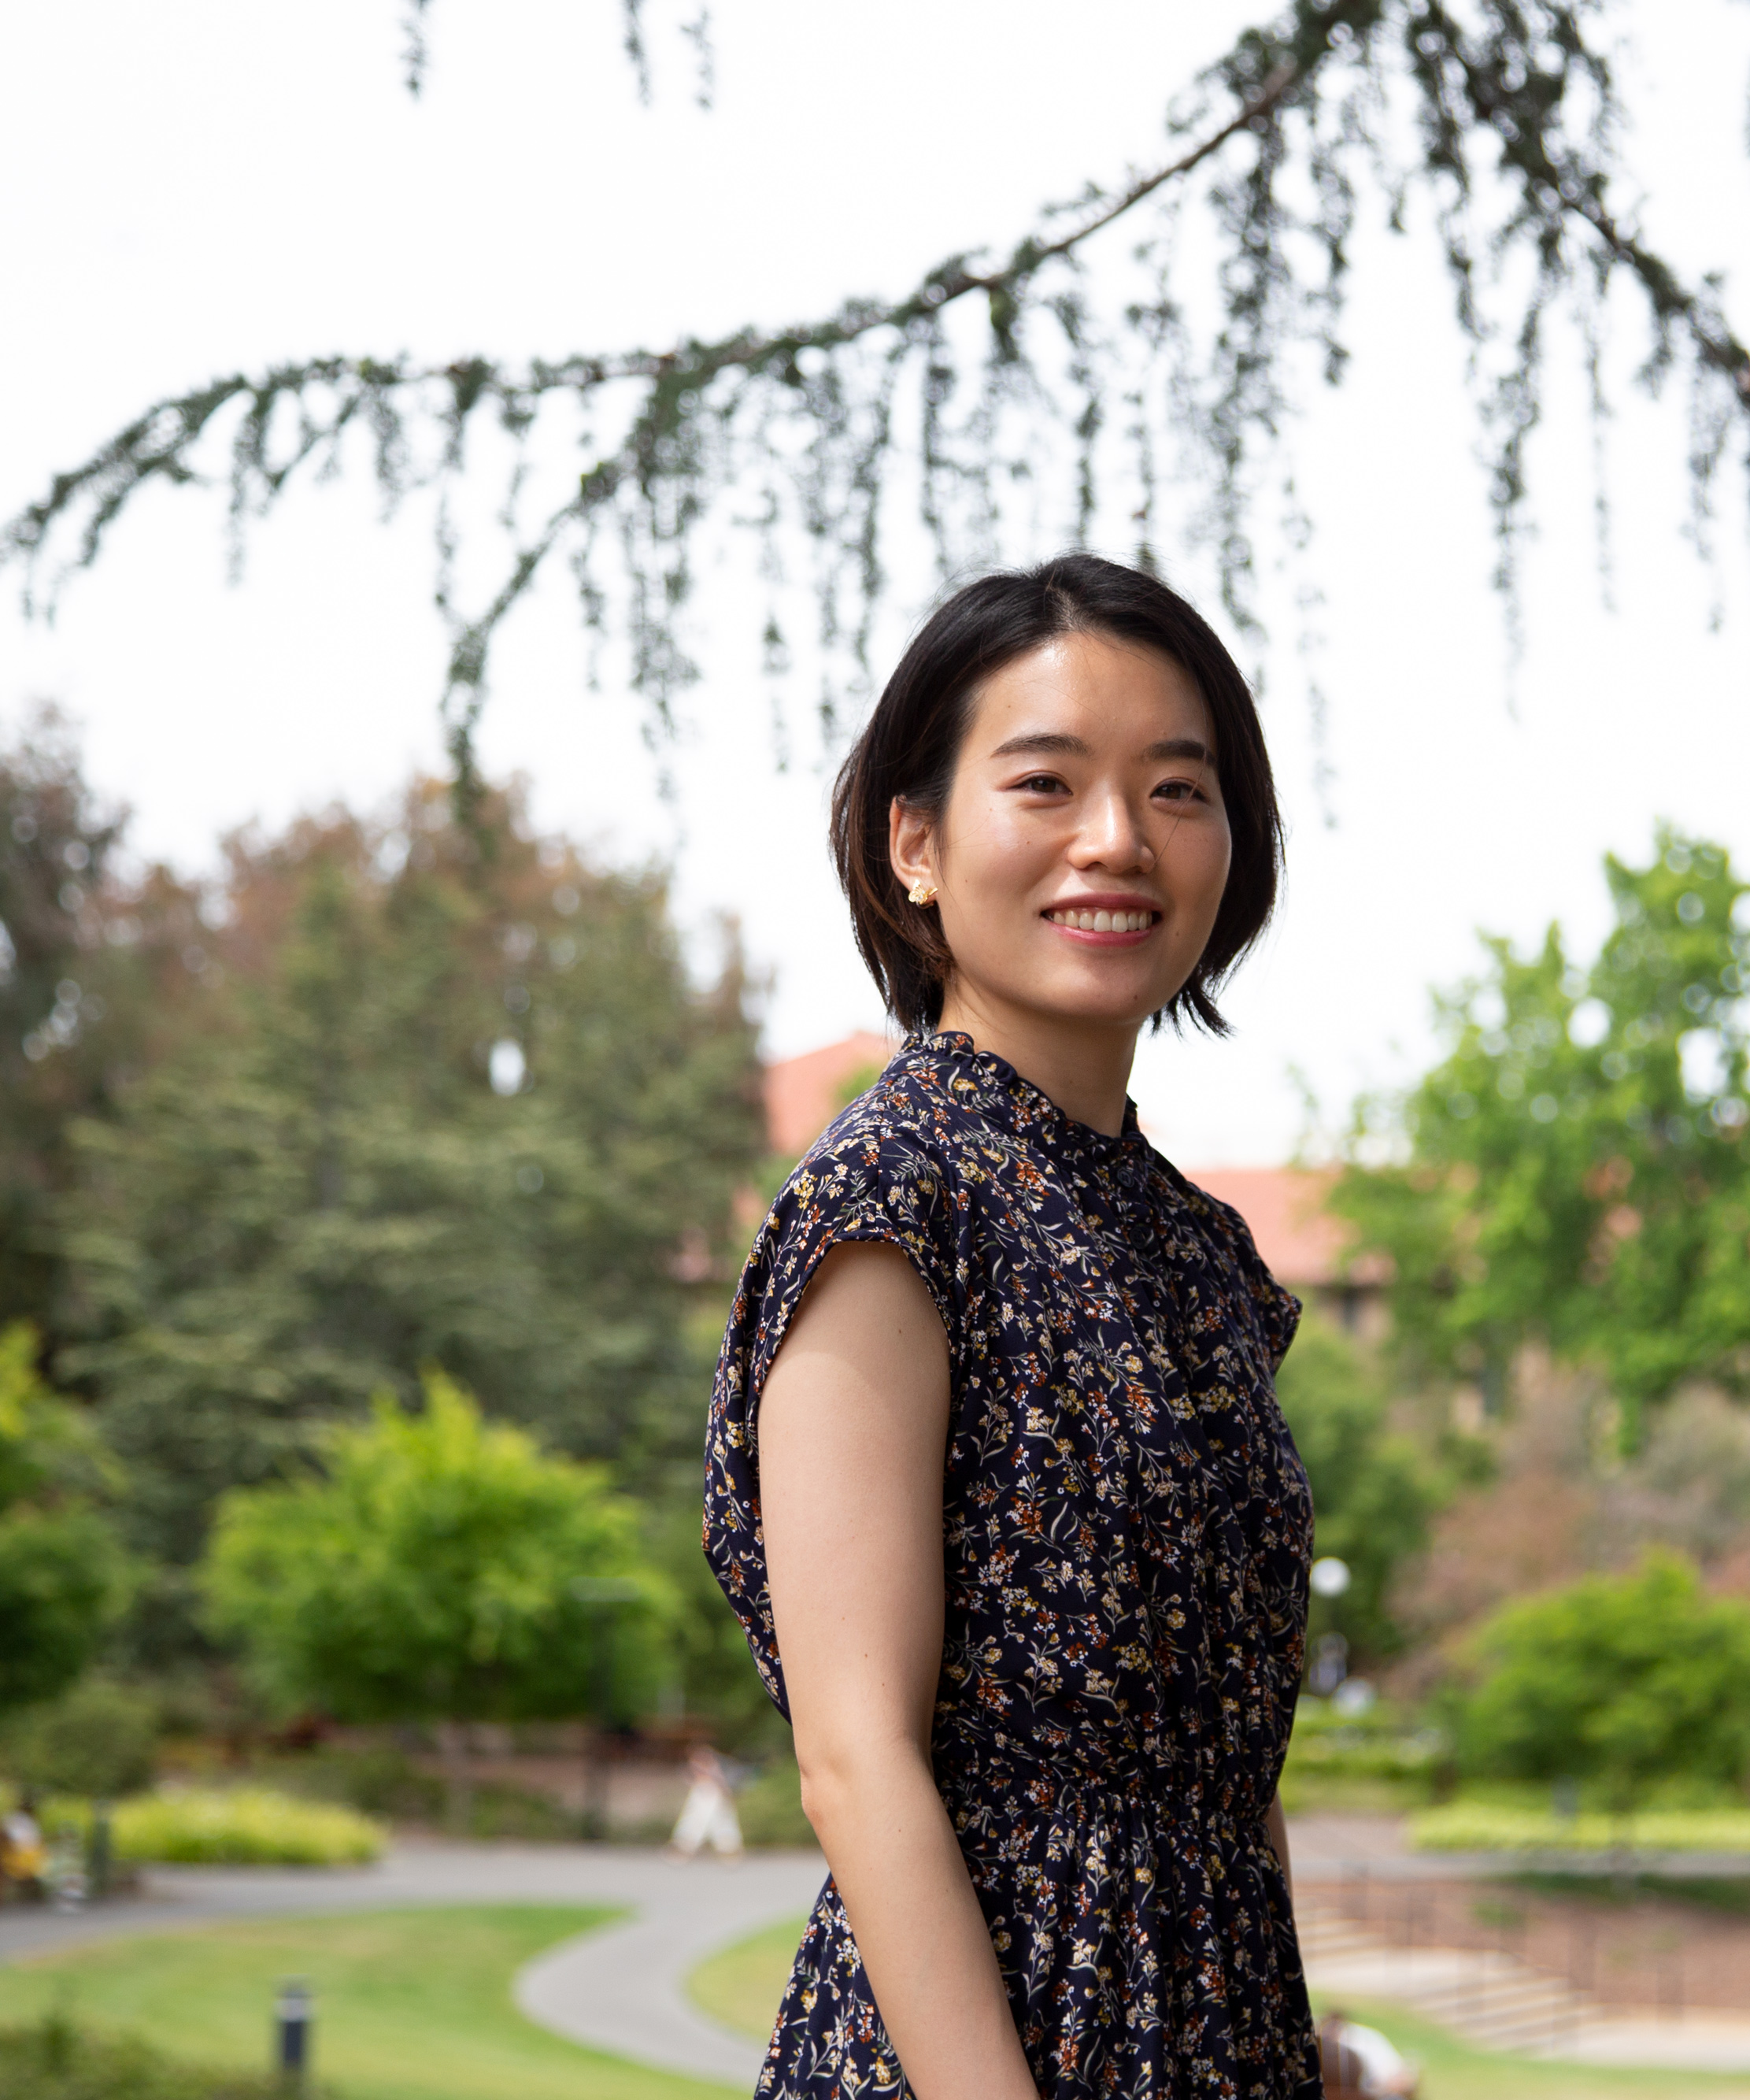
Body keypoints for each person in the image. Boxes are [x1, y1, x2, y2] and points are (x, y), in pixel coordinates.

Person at [703, 555, 1315, 2098]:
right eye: (1045, 783)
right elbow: (854, 1758)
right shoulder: (889, 1199)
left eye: (1177, 790)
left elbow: (1230, 1764)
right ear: (913, 840)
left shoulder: (1197, 1253)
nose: (1116, 839)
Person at [668, 1744, 744, 1860]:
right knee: (695, 1820)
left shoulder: (713, 1769)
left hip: (711, 1795)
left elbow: (720, 1782)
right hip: (702, 1794)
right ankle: (685, 1847)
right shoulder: (698, 1770)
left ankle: (727, 1849)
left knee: (719, 1821)